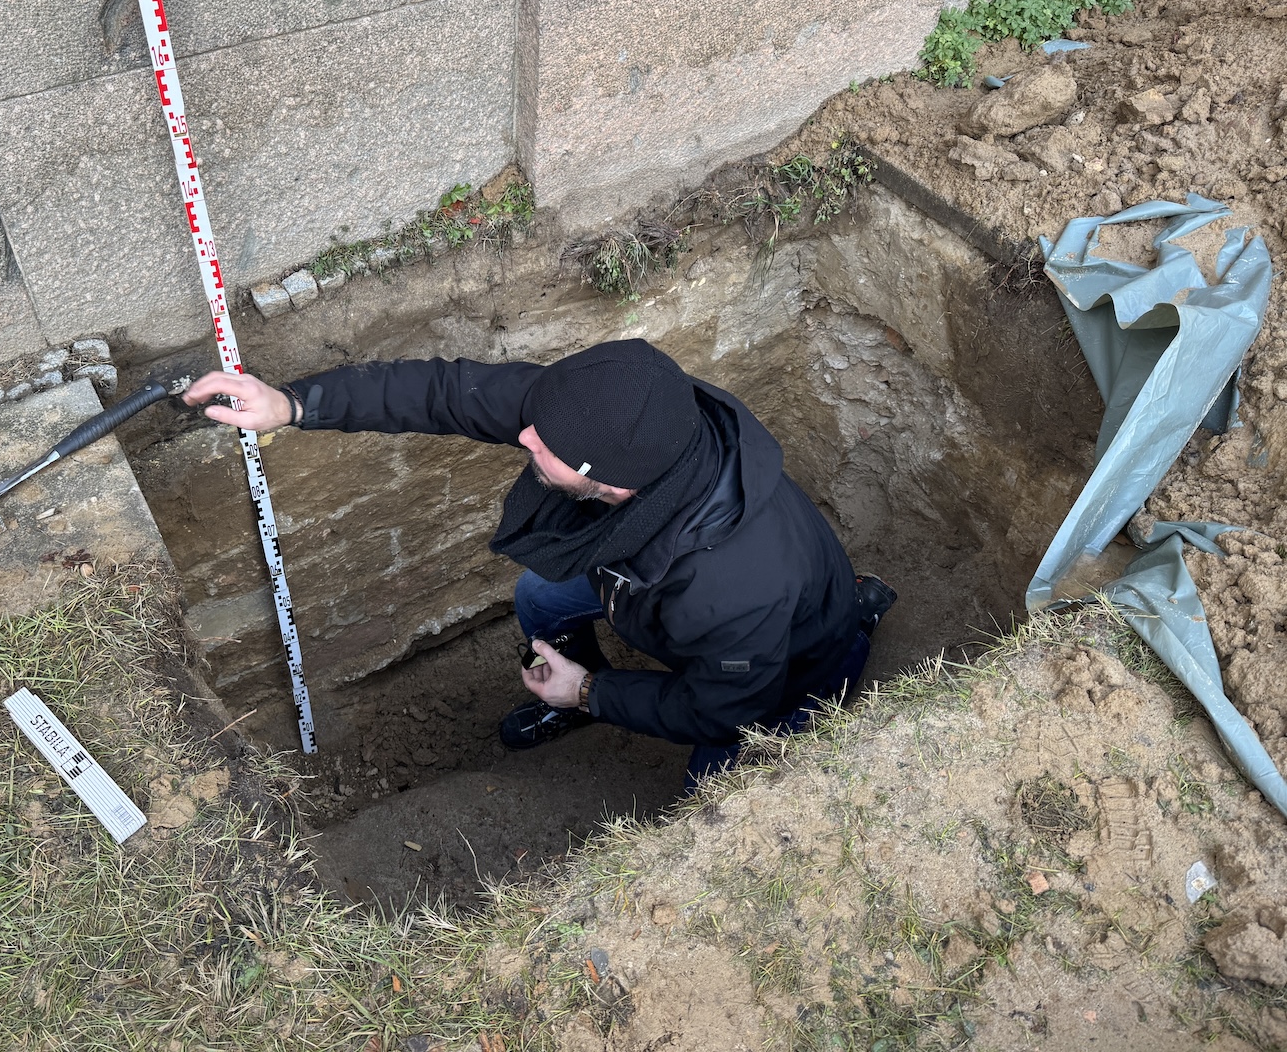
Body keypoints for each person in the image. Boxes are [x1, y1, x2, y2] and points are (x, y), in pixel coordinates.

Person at [182, 339, 894, 792]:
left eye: (540, 443)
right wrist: (294, 404)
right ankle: (580, 688)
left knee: (716, 795)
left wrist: (589, 693)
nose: (521, 433)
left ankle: (843, 644)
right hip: (659, 600)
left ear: (615, 487)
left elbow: (719, 706)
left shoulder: (731, 587)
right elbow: (449, 392)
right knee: (543, 599)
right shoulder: (612, 418)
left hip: (777, 670)